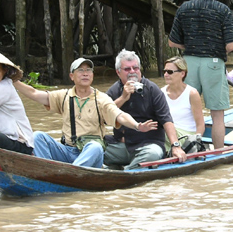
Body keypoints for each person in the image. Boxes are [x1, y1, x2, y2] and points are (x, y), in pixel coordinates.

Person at [14, 57, 153, 168]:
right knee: (38, 136)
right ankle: (47, 170)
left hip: (89, 153)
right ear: (71, 76)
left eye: (88, 70)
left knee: (96, 147)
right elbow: (34, 93)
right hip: (68, 151)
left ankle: (70, 174)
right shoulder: (64, 96)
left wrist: (137, 126)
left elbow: (120, 115)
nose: (85, 73)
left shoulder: (101, 98)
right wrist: (14, 81)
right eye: (80, 70)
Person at [168, 0, 233, 149]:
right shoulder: (223, 10)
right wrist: (213, 48)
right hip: (214, 64)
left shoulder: (184, 8)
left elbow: (172, 42)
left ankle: (183, 148)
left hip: (188, 64)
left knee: (187, 110)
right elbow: (231, 45)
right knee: (217, 115)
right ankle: (218, 154)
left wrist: (191, 47)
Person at [105, 50, 187, 169]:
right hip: (122, 146)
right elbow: (102, 117)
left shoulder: (152, 89)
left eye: (135, 68)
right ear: (118, 72)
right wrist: (123, 97)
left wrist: (175, 146)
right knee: (95, 148)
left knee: (152, 155)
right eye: (127, 69)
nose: (132, 72)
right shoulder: (114, 90)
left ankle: (124, 173)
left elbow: (166, 119)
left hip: (148, 145)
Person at [161, 56, 206, 150]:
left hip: (185, 136)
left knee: (160, 130)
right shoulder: (161, 92)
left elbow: (200, 124)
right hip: (168, 133)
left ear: (182, 73)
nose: (166, 74)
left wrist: (196, 141)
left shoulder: (192, 93)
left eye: (170, 72)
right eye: (164, 71)